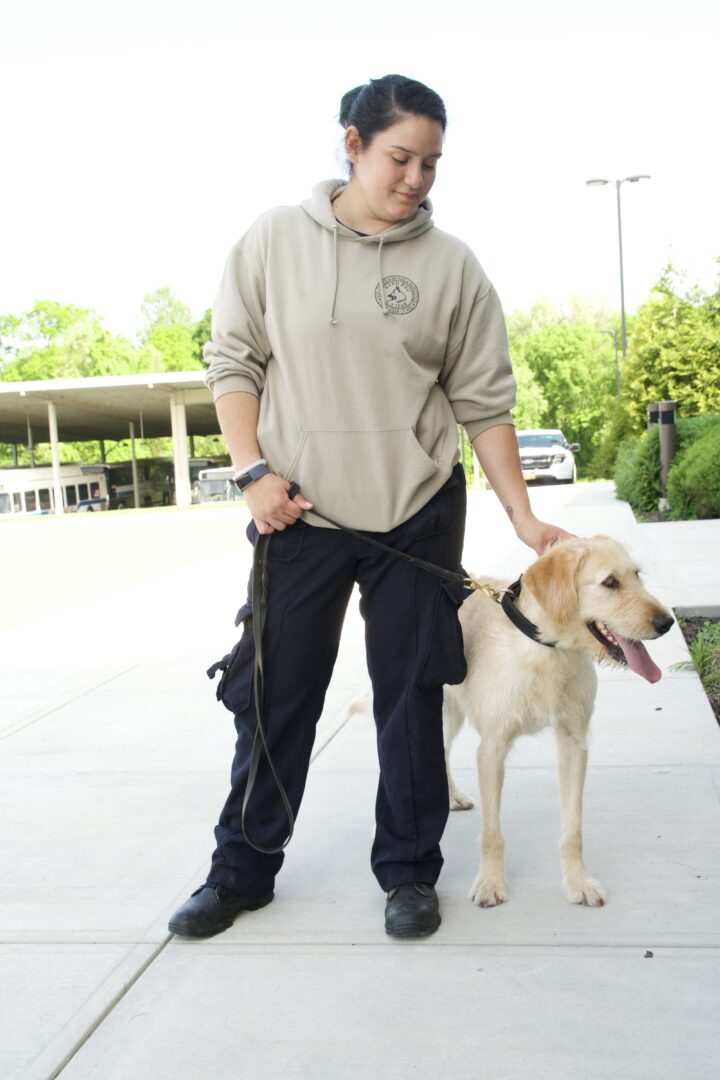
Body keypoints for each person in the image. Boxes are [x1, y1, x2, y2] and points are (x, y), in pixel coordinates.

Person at [169, 74, 569, 941]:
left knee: (412, 693)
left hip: (417, 510)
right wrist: (253, 472)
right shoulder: (273, 242)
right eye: (400, 157)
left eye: (431, 162)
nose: (417, 178)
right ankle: (240, 871)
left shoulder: (452, 265)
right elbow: (233, 364)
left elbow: (484, 405)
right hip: (299, 512)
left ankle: (409, 874)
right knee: (277, 695)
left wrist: (525, 520)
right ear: (351, 143)